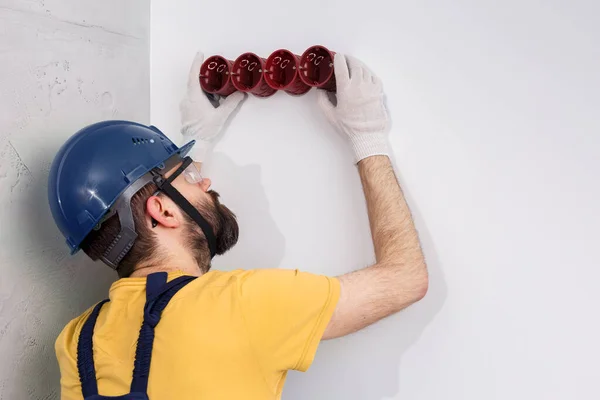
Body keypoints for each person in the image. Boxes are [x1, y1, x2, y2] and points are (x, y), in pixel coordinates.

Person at [49, 51, 428, 400]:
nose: (207, 181)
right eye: (192, 177)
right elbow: (405, 278)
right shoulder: (244, 305)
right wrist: (368, 137)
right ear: (162, 212)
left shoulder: (76, 343)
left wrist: (198, 143)